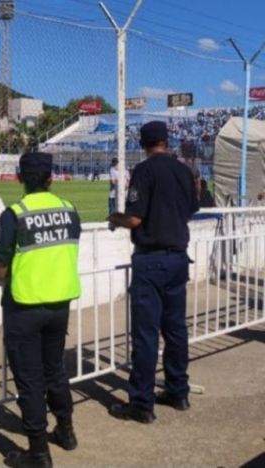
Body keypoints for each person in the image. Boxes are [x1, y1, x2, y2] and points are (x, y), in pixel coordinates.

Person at [0, 152, 82, 468]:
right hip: (60, 305)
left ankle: (38, 453)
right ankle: (67, 432)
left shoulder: (14, 214)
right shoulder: (70, 210)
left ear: (19, 178)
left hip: (24, 306)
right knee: (54, 369)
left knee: (29, 380)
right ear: (50, 178)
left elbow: (0, 269)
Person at [107, 121, 199, 423]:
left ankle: (141, 404)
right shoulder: (184, 170)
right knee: (175, 330)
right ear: (166, 141)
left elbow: (134, 219)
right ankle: (177, 390)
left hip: (151, 260)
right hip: (177, 258)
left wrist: (114, 218)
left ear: (143, 143)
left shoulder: (145, 171)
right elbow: (190, 209)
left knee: (146, 335)